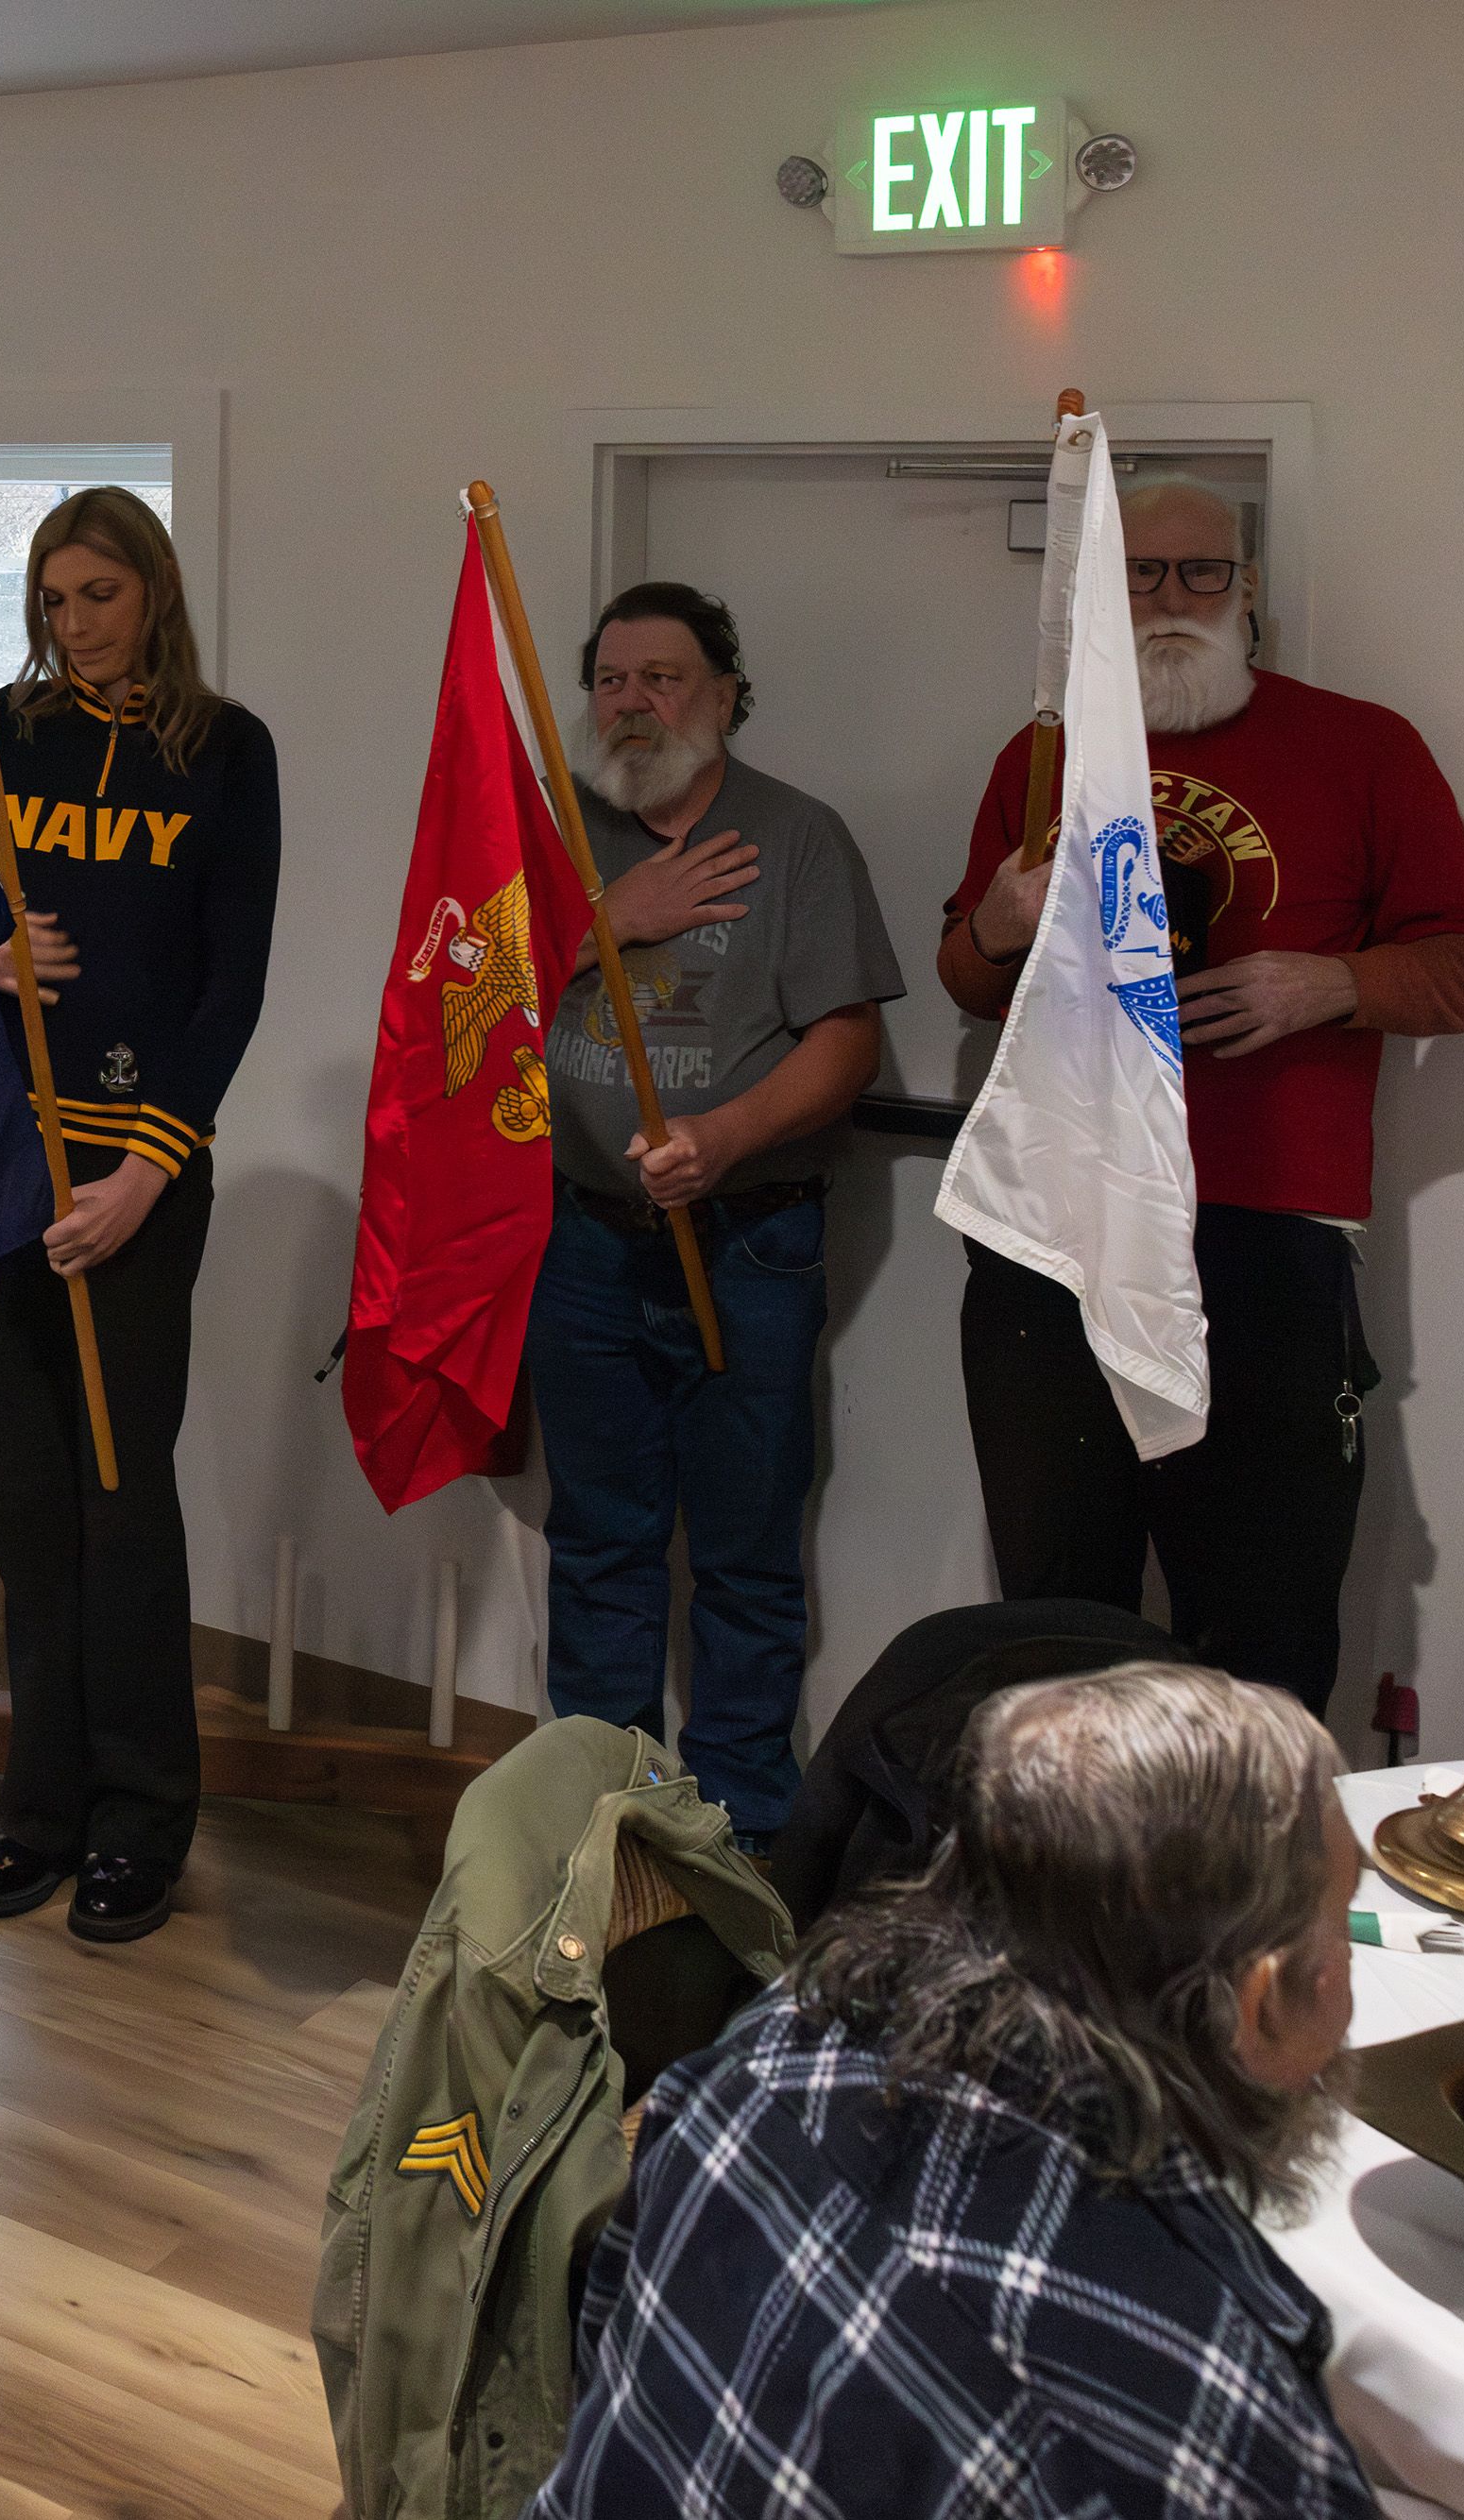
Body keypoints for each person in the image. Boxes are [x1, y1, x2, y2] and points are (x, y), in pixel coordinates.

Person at [940, 478, 1464, 1715]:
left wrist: (1334, 983)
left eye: (1199, 573)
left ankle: (1253, 1899)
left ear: (1248, 590)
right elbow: (970, 978)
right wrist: (995, 920)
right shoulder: (1041, 759)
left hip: (1264, 1237)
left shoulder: (1363, 747)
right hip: (1056, 1232)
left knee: (1261, 1617)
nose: (1170, 600)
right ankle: (1062, 1889)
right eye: (1140, 576)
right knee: (1053, 1615)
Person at [533, 1662, 1377, 2517]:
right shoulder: (1203, 2437)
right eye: (1343, 1927)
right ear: (1260, 2000)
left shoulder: (756, 2061)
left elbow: (604, 2376)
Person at [0, 488, 280, 1946]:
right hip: (9, 1163)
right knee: (22, 1499)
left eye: (101, 595)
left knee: (118, 1498)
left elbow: (233, 980)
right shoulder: (6, 737)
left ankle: (143, 1819)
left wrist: (146, 1173)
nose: (76, 625)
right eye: (54, 600)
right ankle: (39, 1805)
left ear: (154, 592)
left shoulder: (223, 748)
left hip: (139, 1169)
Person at [521, 582, 901, 1852]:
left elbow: (849, 1042)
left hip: (747, 1243)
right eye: (613, 680)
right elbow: (458, 998)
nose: (634, 703)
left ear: (725, 694)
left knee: (744, 1554)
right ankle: (599, 1825)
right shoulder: (547, 832)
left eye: (664, 677)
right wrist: (601, 925)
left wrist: (724, 1138)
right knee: (599, 1540)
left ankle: (742, 1847)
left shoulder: (795, 838)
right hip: (580, 1239)